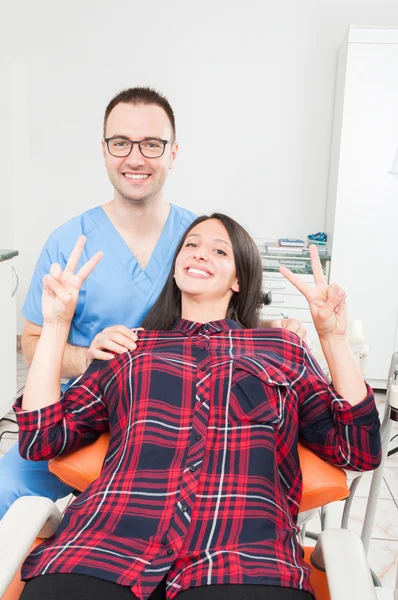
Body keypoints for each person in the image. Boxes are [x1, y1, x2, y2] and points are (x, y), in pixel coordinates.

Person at [14, 213, 381, 600]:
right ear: (175, 270)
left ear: (238, 280)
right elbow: (41, 439)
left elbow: (358, 449)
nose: (200, 254)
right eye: (191, 245)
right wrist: (56, 325)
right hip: (102, 548)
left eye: (219, 250)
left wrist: (333, 338)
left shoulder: (282, 349)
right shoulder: (129, 348)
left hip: (244, 560)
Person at [0, 88, 304, 519]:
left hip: (173, 421)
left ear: (173, 152)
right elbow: (33, 341)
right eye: (121, 143)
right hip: (84, 415)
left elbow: (225, 316)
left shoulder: (195, 240)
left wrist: (275, 331)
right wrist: (88, 356)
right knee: (5, 486)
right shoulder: (69, 243)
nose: (135, 158)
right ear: (104, 151)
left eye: (152, 145)